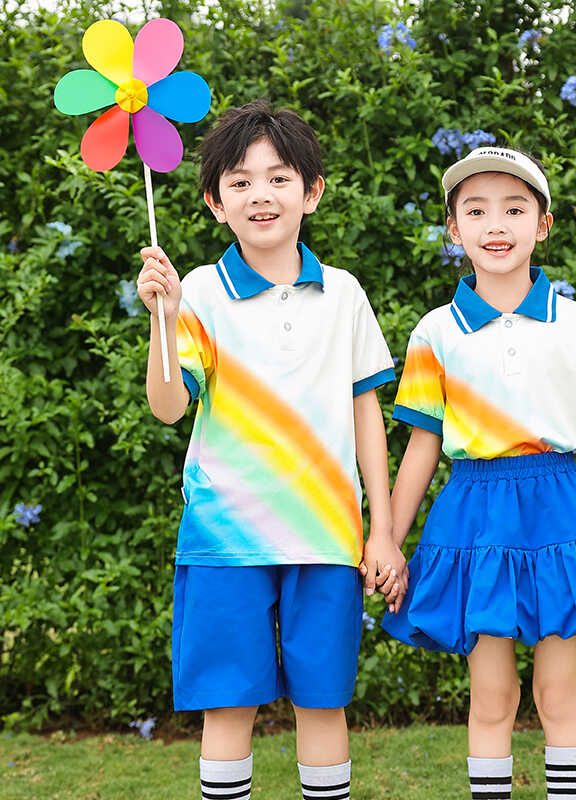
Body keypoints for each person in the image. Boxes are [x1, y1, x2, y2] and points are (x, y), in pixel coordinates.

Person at [380, 146, 576, 799]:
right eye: (477, 209)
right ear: (454, 230)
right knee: (492, 696)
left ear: (542, 224)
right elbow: (422, 449)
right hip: (478, 513)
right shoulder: (437, 332)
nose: (497, 224)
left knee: (558, 691)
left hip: (558, 510)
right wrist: (388, 540)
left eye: (515, 208)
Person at [136, 99, 405, 800]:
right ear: (214, 202)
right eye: (241, 181)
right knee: (228, 707)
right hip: (226, 540)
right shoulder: (198, 291)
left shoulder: (343, 294)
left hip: (327, 538)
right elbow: (168, 408)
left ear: (311, 192)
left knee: (324, 702)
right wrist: (164, 322)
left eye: (279, 177)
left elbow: (365, 413)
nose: (261, 194)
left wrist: (382, 530)